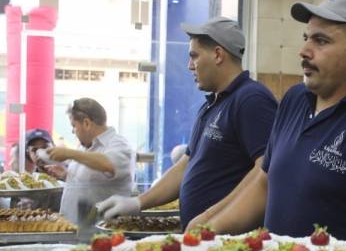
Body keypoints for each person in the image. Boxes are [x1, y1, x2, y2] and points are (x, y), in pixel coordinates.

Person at [200, 0, 346, 250]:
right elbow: (264, 185)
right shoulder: (294, 100)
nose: (304, 51)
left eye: (320, 41)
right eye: (306, 38)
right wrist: (207, 232)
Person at [98, 17, 277, 230]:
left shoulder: (251, 99)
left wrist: (212, 218)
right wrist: (138, 202)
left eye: (194, 56)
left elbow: (265, 170)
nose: (190, 65)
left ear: (218, 55)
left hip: (226, 237)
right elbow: (185, 165)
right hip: (201, 235)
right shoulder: (211, 105)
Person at [45, 98, 134, 223]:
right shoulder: (84, 147)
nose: (73, 131)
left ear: (86, 123)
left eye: (74, 126)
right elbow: (90, 181)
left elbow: (109, 164)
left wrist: (69, 153)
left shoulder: (118, 144)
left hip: (101, 231)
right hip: (73, 228)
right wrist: (66, 175)